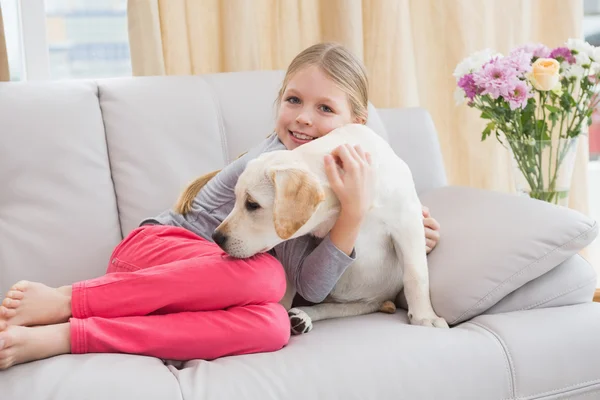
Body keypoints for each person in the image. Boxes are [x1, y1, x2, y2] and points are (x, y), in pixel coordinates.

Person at [0, 42, 441, 370]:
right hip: (156, 250)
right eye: (293, 100)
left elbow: (307, 296)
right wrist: (353, 214)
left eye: (325, 107)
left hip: (216, 288)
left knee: (272, 326)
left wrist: (387, 225)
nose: (304, 117)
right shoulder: (273, 168)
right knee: (269, 277)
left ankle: (73, 336)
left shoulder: (349, 174)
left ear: (355, 123)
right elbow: (305, 283)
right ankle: (66, 300)